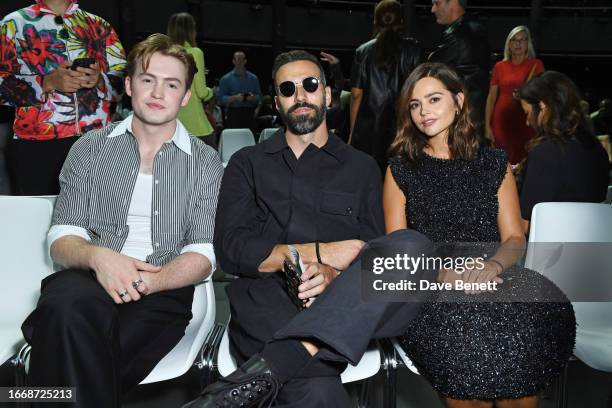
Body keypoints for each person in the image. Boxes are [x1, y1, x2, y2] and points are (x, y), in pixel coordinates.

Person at [20, 34, 223, 408]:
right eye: (148, 79)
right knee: (66, 310)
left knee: (65, 341)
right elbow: (63, 237)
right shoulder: (89, 148)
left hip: (162, 287)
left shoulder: (205, 162)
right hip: (88, 278)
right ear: (129, 85)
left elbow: (203, 253)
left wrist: (148, 282)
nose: (158, 92)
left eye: (172, 84)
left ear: (185, 96)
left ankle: (25, 395)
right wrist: (101, 259)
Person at [190, 49, 386, 408]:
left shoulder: (363, 168)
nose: (300, 96)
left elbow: (375, 255)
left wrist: (332, 274)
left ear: (328, 95)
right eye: (287, 89)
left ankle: (260, 378)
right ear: (277, 103)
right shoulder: (246, 163)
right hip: (265, 306)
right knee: (317, 387)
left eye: (310, 85)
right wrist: (323, 253)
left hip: (338, 305)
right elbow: (232, 250)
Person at [384, 62, 575, 408]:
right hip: (432, 286)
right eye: (414, 105)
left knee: (528, 339)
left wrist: (492, 268)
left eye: (433, 99)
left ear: (458, 101)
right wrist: (446, 276)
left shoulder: (493, 162)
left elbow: (515, 238)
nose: (423, 111)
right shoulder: (401, 169)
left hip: (495, 276)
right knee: (466, 352)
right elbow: (400, 254)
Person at [0, 0, 126, 195]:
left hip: (97, 143)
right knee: (42, 219)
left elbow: (125, 83)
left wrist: (99, 80)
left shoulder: (100, 25)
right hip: (37, 145)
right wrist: (46, 83)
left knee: (98, 218)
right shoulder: (13, 24)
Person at [517, 71, 609, 233]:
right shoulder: (598, 150)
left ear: (542, 106)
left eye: (527, 113)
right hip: (589, 252)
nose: (526, 122)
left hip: (546, 254)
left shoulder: (545, 153)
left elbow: (524, 226)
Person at [349, 0, 423, 174]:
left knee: (368, 178)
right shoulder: (413, 49)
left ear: (375, 22)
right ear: (402, 22)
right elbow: (419, 88)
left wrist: (352, 133)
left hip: (369, 127)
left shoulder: (363, 51)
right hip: (403, 124)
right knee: (401, 177)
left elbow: (356, 94)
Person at [428, 0, 491, 144]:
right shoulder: (478, 29)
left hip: (460, 125)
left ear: (454, 2)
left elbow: (429, 71)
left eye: (436, 3)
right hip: (473, 120)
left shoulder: (457, 35)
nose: (432, 9)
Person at [485, 26, 544, 164]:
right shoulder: (499, 66)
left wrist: (525, 94)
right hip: (501, 122)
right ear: (509, 44)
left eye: (523, 40)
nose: (518, 43)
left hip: (527, 120)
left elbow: (542, 92)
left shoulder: (536, 64)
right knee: (501, 163)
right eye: (515, 40)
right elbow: (491, 97)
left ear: (527, 44)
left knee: (526, 160)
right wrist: (487, 126)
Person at [167, 12, 216, 148]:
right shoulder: (195, 53)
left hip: (171, 127)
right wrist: (211, 91)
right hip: (196, 127)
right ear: (189, 30)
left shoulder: (164, 54)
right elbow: (201, 92)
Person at [216, 51, 262, 130]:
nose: (240, 61)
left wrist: (253, 98)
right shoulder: (225, 79)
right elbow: (221, 99)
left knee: (250, 139)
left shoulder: (253, 78)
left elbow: (260, 96)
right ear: (233, 61)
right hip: (233, 113)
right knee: (234, 139)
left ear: (245, 61)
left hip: (249, 113)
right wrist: (235, 98)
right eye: (238, 59)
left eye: (242, 59)